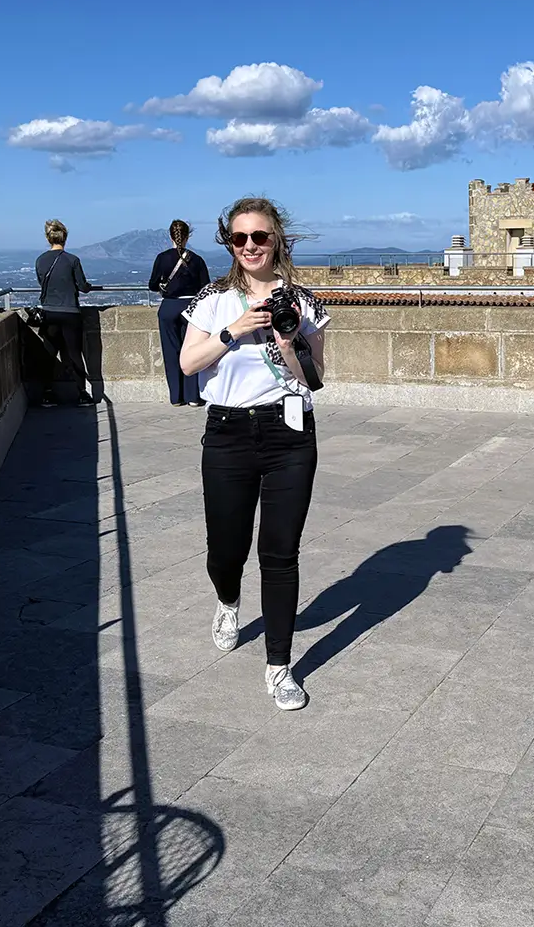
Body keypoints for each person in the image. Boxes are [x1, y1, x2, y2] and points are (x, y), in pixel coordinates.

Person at [179, 197, 329, 711]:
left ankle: (279, 666)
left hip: (289, 434)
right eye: (239, 238)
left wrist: (290, 343)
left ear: (276, 240)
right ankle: (227, 601)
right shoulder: (213, 298)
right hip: (227, 431)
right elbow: (186, 363)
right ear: (229, 242)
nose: (249, 247)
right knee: (226, 547)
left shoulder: (303, 302)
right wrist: (233, 332)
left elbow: (316, 379)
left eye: (259, 237)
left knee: (280, 552)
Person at [148, 220, 211, 407]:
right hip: (192, 308)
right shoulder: (197, 260)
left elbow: (152, 284)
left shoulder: (162, 258)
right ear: (188, 236)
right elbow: (205, 287)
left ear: (170, 236)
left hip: (169, 307)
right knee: (192, 351)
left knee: (171, 352)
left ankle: (176, 396)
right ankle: (193, 396)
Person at [34, 219, 97, 407]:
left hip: (49, 312)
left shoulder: (40, 260)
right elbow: (83, 286)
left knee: (49, 354)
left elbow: (41, 282)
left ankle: (47, 393)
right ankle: (82, 393)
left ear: (48, 238)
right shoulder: (72, 260)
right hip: (70, 312)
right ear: (65, 238)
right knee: (75, 354)